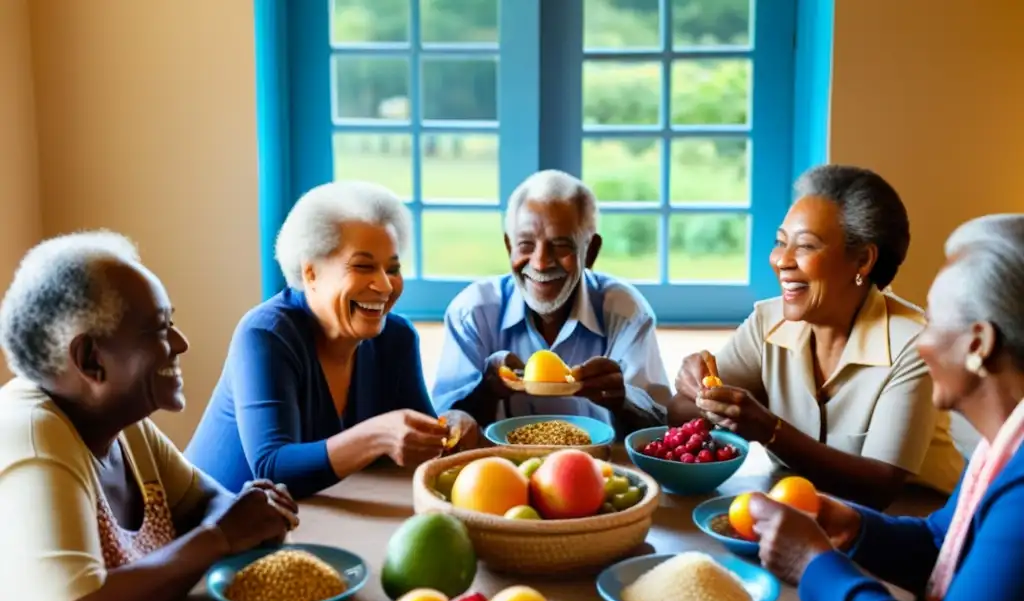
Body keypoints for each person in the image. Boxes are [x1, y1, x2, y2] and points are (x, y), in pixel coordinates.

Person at [0, 232, 298, 601]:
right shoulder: (31, 435)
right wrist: (221, 538)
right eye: (159, 330)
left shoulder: (117, 421)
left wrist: (237, 520)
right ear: (91, 360)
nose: (180, 343)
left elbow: (215, 505)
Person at [747, 213, 1024, 601]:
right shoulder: (1002, 444)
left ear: (979, 344)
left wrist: (814, 565)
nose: (921, 345)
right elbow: (943, 544)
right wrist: (854, 528)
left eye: (935, 325)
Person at [669, 164, 963, 509]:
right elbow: (680, 413)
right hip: (802, 512)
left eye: (806, 246)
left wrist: (770, 429)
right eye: (781, 242)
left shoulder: (914, 346)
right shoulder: (769, 321)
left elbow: (879, 487)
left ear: (863, 260)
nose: (781, 261)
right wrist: (696, 387)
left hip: (911, 528)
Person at [185, 181, 478, 499]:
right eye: (363, 266)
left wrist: (449, 429)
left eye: (392, 269)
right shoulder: (266, 336)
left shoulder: (397, 339)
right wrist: (378, 435)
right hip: (212, 530)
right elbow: (273, 469)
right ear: (310, 272)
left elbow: (420, 451)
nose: (384, 285)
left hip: (311, 522)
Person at [431, 169, 671, 434]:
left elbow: (660, 427)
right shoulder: (473, 312)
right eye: (525, 245)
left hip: (597, 468)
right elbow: (444, 422)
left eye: (561, 245)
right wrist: (486, 389)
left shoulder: (626, 312)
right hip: (502, 468)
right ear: (509, 247)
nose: (541, 262)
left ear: (590, 252)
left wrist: (622, 399)